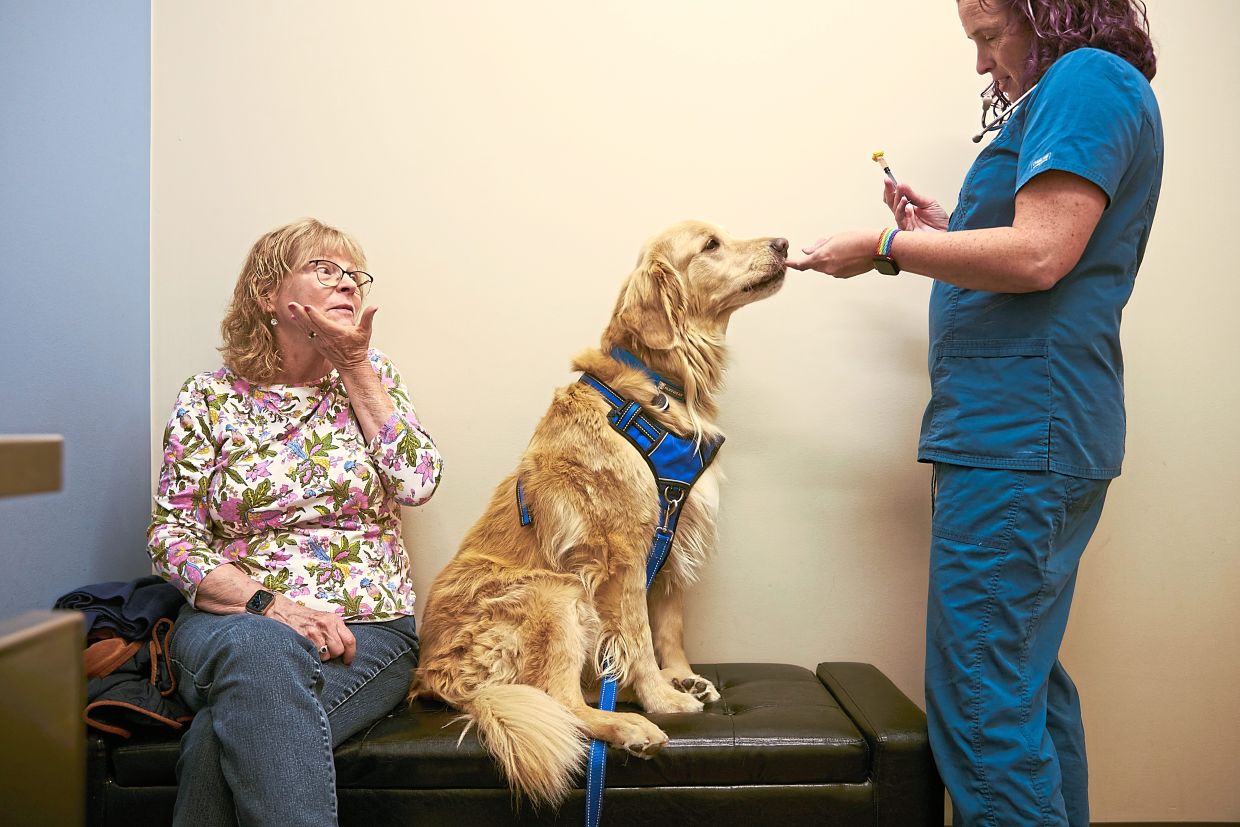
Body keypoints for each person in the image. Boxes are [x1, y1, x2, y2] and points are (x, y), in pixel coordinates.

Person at [787, 2, 1162, 825]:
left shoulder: (1087, 80)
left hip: (1022, 436)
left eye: (991, 37)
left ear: (1052, 13)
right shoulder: (1078, 90)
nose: (982, 62)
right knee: (1022, 688)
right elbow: (1045, 240)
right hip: (1025, 433)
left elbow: (1038, 254)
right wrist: (949, 228)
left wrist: (886, 248)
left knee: (983, 712)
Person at [147, 218, 443, 826]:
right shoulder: (210, 397)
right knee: (259, 649)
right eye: (324, 269)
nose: (348, 285)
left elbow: (418, 484)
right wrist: (268, 604)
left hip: (366, 632)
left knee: (217, 740)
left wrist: (356, 363)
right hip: (233, 621)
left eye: (354, 275)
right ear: (267, 296)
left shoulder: (372, 379)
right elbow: (171, 535)